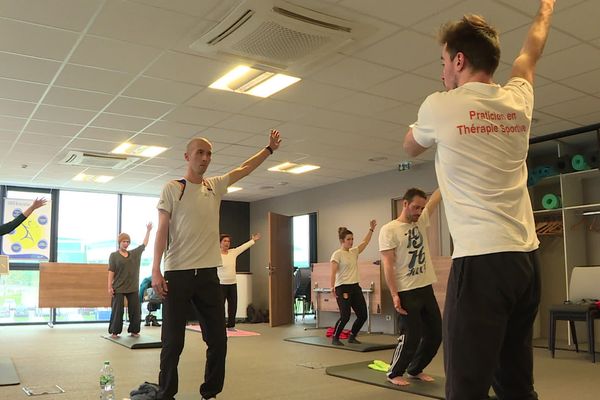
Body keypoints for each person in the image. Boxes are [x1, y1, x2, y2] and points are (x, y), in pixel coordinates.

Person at [402, 1, 555, 398]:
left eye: (443, 62)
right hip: (526, 261)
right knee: (516, 381)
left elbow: (409, 148)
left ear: (459, 60)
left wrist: (434, 125)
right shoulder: (517, 100)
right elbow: (529, 53)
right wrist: (545, 11)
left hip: (481, 262)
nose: (441, 71)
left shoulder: (439, 104)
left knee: (467, 385)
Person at [152, 129, 282, 400]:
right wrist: (155, 270)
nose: (205, 157)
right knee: (173, 342)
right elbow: (162, 231)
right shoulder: (173, 188)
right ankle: (166, 393)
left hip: (210, 275)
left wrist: (268, 150)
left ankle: (209, 393)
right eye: (200, 152)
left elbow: (244, 169)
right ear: (187, 156)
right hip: (178, 273)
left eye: (209, 153)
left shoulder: (215, 186)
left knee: (219, 340)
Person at [379, 188, 442, 387]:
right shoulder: (389, 229)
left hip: (425, 287)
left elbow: (435, 200)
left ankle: (415, 369)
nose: (419, 211)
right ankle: (394, 372)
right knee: (411, 336)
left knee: (435, 334)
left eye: (421, 208)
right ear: (404, 204)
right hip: (406, 290)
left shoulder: (421, 221)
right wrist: (395, 294)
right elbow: (387, 264)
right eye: (415, 207)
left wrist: (447, 169)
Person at [330, 220, 377, 346]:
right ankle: (335, 338)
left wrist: (371, 229)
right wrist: (332, 287)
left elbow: (365, 243)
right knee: (345, 316)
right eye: (348, 239)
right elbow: (333, 272)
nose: (351, 241)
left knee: (363, 315)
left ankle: (352, 336)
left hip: (355, 287)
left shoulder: (354, 252)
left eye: (352, 239)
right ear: (342, 240)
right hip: (342, 287)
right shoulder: (337, 254)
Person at [108, 222, 152, 338]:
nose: (126, 244)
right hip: (118, 287)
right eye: (124, 241)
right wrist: (109, 286)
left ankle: (134, 330)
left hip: (132, 287)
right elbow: (111, 271)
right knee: (118, 311)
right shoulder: (114, 256)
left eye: (127, 242)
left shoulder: (134, 254)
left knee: (135, 310)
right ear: (119, 242)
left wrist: (148, 230)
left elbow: (144, 244)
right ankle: (115, 331)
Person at [218, 232, 261, 331]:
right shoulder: (216, 255)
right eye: (224, 241)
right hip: (221, 284)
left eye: (228, 241)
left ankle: (231, 325)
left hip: (232, 284)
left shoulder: (233, 252)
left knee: (233, 305)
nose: (227, 243)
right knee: (220, 307)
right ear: (220, 243)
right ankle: (220, 325)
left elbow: (243, 247)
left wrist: (253, 240)